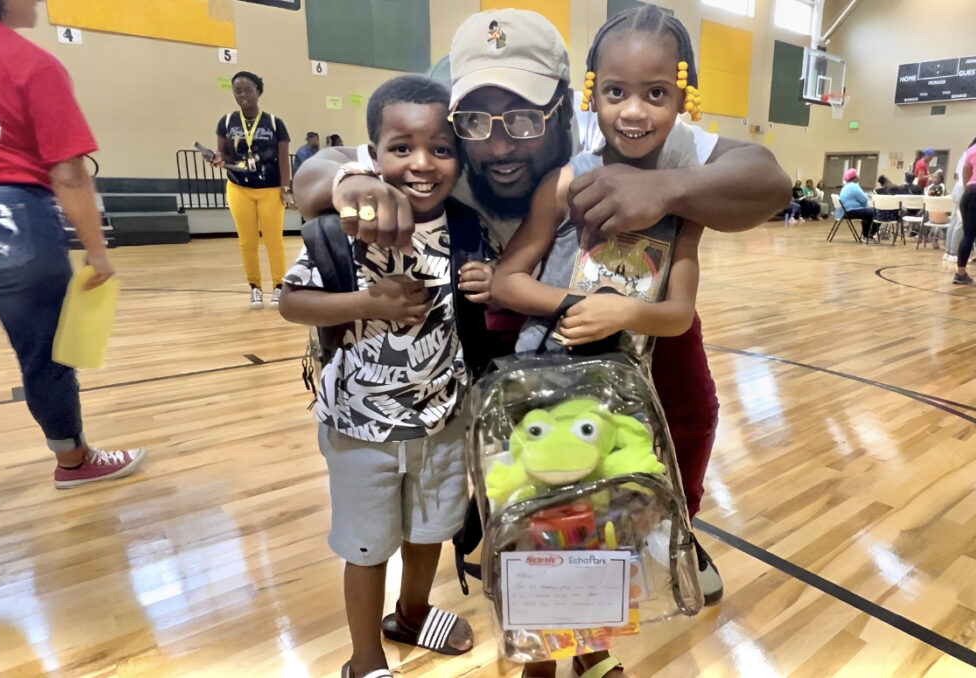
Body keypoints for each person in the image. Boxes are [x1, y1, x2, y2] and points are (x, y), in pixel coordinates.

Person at [294, 6, 790, 638]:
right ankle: (524, 541)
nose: (499, 145)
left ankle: (672, 529)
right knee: (500, 428)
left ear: (565, 104)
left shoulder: (621, 126)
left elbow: (768, 178)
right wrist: (352, 181)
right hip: (490, 309)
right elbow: (315, 171)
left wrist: (668, 189)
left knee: (688, 410)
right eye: (477, 122)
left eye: (525, 118)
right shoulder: (443, 148)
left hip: (625, 299)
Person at [487, 11, 707, 673]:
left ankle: (591, 651)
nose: (634, 111)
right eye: (616, 92)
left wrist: (623, 315)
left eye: (655, 93)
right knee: (537, 528)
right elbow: (507, 282)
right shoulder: (565, 180)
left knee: (606, 528)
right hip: (541, 388)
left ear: (682, 97)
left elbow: (677, 314)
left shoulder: (687, 200)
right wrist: (582, 305)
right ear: (593, 93)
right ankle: (537, 658)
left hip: (616, 396)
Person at [278, 75, 491, 678]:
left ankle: (413, 614)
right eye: (402, 148)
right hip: (360, 429)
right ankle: (364, 657)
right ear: (371, 155)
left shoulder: (468, 228)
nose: (421, 163)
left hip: (442, 423)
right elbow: (291, 303)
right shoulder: (339, 228)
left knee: (430, 533)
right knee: (367, 547)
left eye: (441, 148)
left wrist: (489, 285)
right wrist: (366, 304)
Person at [0, 0, 146, 488]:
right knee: (47, 358)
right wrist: (96, 251)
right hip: (16, 222)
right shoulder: (35, 63)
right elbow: (68, 172)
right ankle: (73, 460)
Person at [210, 71, 293, 310]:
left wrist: (285, 188)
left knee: (273, 240)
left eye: (247, 90)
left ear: (258, 91)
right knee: (247, 242)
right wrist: (217, 158)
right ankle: (255, 288)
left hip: (269, 190)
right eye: (238, 91)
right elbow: (223, 154)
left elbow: (283, 159)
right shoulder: (226, 122)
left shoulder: (275, 123)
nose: (243, 95)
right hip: (238, 188)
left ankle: (279, 286)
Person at [952, 115, 976, 285]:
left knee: (968, 234)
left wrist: (972, 188)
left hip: (970, 193)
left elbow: (966, 174)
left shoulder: (974, 147)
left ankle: (961, 274)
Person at [839, 168, 876, 241]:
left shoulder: (846, 186)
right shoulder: (854, 186)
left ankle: (866, 235)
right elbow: (864, 199)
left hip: (845, 211)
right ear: (854, 177)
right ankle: (869, 235)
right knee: (877, 212)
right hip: (851, 211)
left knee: (868, 214)